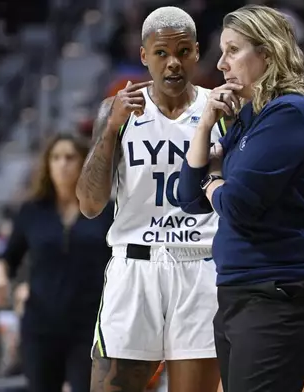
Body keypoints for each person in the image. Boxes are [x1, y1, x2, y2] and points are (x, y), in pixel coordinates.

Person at [177, 5, 304, 392]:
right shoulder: (250, 117)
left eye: (233, 50)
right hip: (244, 288)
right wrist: (205, 124)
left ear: (267, 54)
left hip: (282, 288)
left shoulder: (291, 112)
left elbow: (236, 206)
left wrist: (214, 180)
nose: (220, 64)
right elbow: (188, 196)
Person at [76, 7, 222, 392]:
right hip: (135, 267)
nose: (173, 63)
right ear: (144, 56)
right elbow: (90, 205)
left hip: (201, 268)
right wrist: (109, 131)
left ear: (196, 52)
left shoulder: (221, 109)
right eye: (161, 53)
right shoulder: (116, 109)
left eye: (183, 52)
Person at [0, 134, 114, 392]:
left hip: (90, 324)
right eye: (56, 158)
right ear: (47, 165)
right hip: (40, 325)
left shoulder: (106, 210)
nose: (63, 164)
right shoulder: (31, 211)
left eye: (70, 157)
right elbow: (9, 257)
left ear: (84, 163)